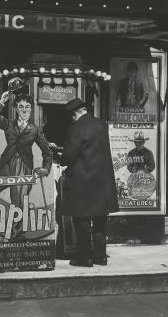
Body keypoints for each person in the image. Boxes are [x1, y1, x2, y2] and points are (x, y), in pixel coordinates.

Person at [0, 89, 53, 238]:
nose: (25, 110)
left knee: (19, 203)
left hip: (24, 168)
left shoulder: (34, 130)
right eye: (21, 106)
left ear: (31, 109)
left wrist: (46, 169)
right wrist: (2, 101)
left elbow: (48, 152)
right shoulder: (8, 124)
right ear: (16, 109)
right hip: (7, 165)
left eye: (27, 107)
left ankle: (17, 236)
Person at [61, 98, 119, 267]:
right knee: (100, 220)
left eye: (72, 116)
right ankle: (100, 257)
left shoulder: (76, 127)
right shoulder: (101, 125)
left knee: (82, 220)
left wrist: (62, 158)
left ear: (75, 113)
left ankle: (84, 258)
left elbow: (69, 155)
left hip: (83, 180)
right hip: (102, 181)